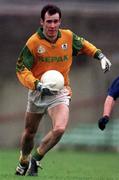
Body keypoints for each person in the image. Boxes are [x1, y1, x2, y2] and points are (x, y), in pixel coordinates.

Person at [15, 4, 111, 176]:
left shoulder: (67, 37)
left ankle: (36, 159)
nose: (52, 25)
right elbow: (21, 69)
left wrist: (100, 55)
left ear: (60, 22)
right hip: (38, 91)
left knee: (59, 128)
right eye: (49, 21)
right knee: (30, 133)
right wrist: (37, 85)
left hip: (60, 92)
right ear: (41, 22)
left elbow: (84, 45)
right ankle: (24, 159)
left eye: (56, 21)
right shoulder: (33, 43)